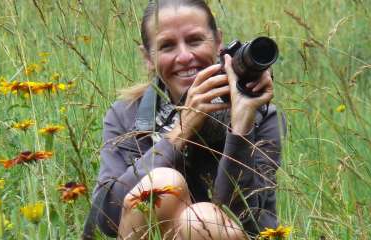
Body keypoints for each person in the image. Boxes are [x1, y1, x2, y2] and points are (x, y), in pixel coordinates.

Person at [83, 0, 285, 239]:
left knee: (201, 221)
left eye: (195, 40)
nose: (185, 56)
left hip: (218, 232)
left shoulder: (262, 116)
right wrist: (182, 130)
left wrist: (241, 126)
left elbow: (248, 222)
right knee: (161, 184)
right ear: (148, 57)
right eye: (167, 46)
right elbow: (102, 223)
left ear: (219, 42)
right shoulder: (128, 114)